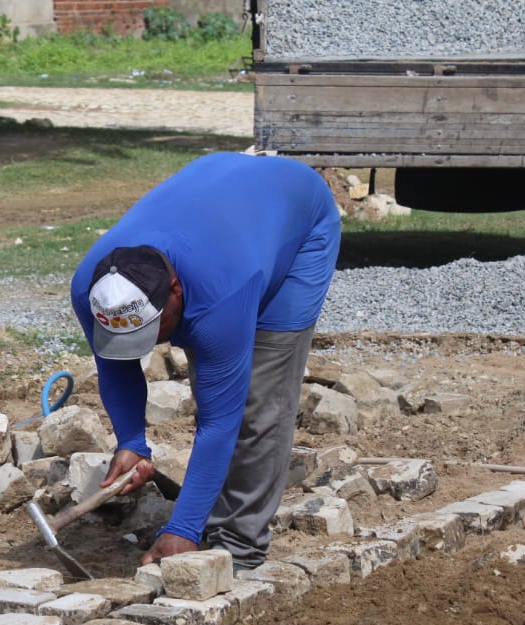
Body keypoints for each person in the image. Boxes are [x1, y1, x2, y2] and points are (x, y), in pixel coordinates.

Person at [70, 152, 342, 570]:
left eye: (153, 331)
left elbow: (219, 421)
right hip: (220, 195)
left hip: (299, 218)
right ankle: (201, 516)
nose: (148, 346)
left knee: (258, 399)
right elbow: (114, 366)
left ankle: (239, 546)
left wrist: (182, 530)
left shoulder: (224, 294)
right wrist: (131, 442)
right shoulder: (94, 289)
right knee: (216, 380)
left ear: (176, 291)